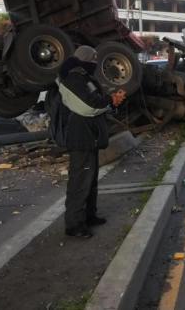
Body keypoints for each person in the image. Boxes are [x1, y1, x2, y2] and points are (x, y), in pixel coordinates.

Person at [58, 45, 126, 238]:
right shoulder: (73, 79)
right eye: (93, 60)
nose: (95, 64)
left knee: (90, 179)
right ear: (85, 60)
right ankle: (74, 225)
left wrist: (112, 100)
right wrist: (111, 101)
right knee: (80, 181)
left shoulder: (84, 78)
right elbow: (88, 106)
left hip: (90, 136)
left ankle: (89, 216)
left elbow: (97, 99)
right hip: (81, 137)